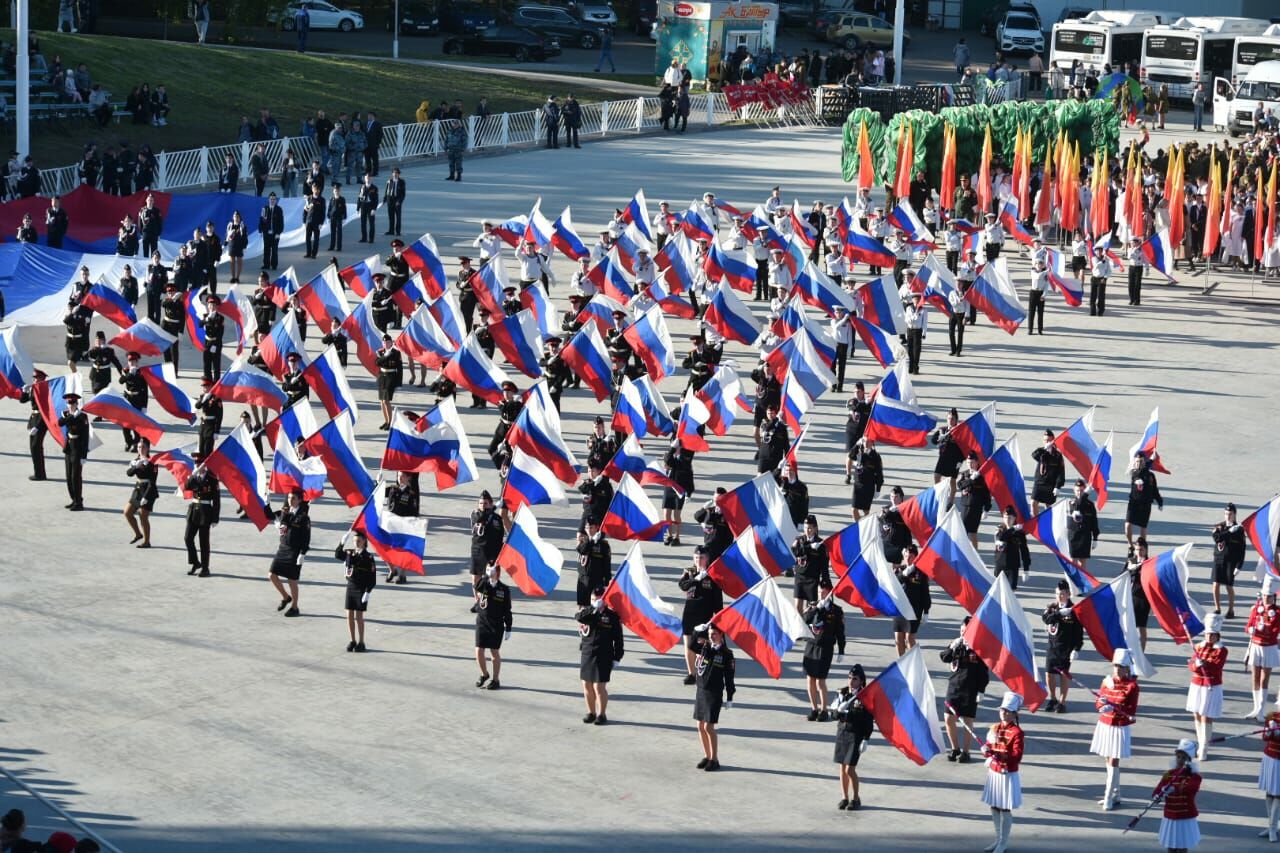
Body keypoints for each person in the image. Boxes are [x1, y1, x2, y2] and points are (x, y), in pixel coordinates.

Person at [1092, 648, 1140, 810]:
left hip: (1118, 726)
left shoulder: (1132, 686)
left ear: (1127, 668)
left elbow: (1129, 708)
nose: (1117, 669)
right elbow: (1099, 700)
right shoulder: (1107, 681)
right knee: (1107, 759)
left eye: (1120, 666)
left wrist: (1113, 704)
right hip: (1105, 723)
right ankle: (1117, 793)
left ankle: (1108, 797)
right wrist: (1101, 706)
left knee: (1113, 760)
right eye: (1115, 666)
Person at [981, 692, 1025, 853]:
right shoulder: (994, 728)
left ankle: (1003, 843)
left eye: (1007, 711)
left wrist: (1000, 754)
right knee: (994, 806)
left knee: (1005, 808)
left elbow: (1017, 756)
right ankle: (997, 839)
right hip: (994, 771)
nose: (1004, 713)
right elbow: (989, 746)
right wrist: (986, 750)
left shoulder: (1017, 732)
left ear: (1014, 713)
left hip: (1007, 773)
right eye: (1002, 710)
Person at [941, 618, 989, 762]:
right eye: (961, 630)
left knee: (967, 721)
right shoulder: (957, 645)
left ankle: (966, 752)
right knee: (948, 718)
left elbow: (983, 673)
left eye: (965, 631)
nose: (962, 633)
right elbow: (944, 657)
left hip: (970, 689)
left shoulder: (979, 649)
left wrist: (981, 690)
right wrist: (952, 647)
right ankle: (955, 748)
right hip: (954, 687)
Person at [689, 621, 735, 770]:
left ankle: (715, 759)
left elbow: (729, 677)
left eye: (714, 634)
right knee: (699, 726)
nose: (712, 636)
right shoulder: (705, 647)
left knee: (709, 727)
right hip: (701, 690)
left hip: (714, 693)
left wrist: (730, 696)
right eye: (709, 634)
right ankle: (707, 755)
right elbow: (691, 646)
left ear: (721, 635)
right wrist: (697, 631)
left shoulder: (727, 654)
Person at [577, 585, 624, 725]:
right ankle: (591, 712)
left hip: (603, 655)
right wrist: (593, 608)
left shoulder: (612, 616)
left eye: (598, 599)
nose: (595, 601)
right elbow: (578, 617)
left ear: (604, 600)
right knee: (586, 684)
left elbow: (618, 639)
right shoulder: (588, 612)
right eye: (592, 599)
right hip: (587, 653)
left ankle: (601, 714)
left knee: (599, 687)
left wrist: (617, 657)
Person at [802, 579, 845, 721]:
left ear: (830, 593)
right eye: (820, 591)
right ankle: (814, 708)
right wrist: (816, 609)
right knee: (810, 679)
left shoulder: (836, 611)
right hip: (811, 645)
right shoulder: (813, 606)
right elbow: (804, 619)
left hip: (825, 648)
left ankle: (824, 710)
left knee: (820, 680)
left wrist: (841, 649)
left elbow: (840, 631)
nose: (822, 593)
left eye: (824, 591)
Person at [678, 547, 723, 684]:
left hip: (705, 615)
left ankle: (703, 672)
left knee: (703, 646)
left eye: (701, 558)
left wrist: (718, 617)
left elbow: (717, 599)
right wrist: (696, 579)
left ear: (707, 559)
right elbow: (683, 586)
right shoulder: (689, 572)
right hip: (689, 613)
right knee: (688, 644)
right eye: (696, 558)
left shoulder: (713, 574)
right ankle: (691, 674)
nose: (698, 560)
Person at [833, 663, 875, 809]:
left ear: (861, 681)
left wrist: (866, 739)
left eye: (855, 678)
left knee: (849, 769)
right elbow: (833, 714)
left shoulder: (865, 697)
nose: (851, 681)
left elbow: (868, 721)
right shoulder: (842, 693)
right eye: (849, 677)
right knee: (842, 767)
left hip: (855, 736)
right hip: (842, 733)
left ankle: (856, 798)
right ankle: (845, 797)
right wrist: (838, 710)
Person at [1186, 611, 1226, 761]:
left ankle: (1204, 747)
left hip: (1211, 685)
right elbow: (1191, 665)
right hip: (1197, 683)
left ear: (1217, 635)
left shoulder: (1221, 650)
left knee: (1206, 716)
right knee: (1196, 713)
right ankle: (1200, 741)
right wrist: (1196, 665)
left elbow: (1216, 667)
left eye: (1212, 635)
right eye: (1207, 634)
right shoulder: (1198, 646)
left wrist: (1205, 664)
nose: (1209, 637)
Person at [268, 489, 311, 618]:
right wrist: (266, 503)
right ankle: (286, 597)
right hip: (283, 548)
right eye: (289, 498)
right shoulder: (284, 512)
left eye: (293, 498)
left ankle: (295, 607)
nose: (290, 500)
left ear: (299, 500)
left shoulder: (303, 517)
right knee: (271, 575)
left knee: (292, 580)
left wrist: (302, 554)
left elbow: (306, 537)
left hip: (294, 551)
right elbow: (269, 516)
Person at [1042, 580, 1083, 713]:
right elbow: (1047, 619)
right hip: (1052, 647)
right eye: (1058, 594)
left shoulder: (1074, 611)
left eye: (1062, 594)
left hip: (1066, 648)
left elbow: (1078, 632)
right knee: (1049, 674)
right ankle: (1052, 698)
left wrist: (1077, 648)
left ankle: (1062, 701)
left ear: (1069, 594)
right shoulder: (1052, 608)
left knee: (1063, 675)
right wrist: (1059, 613)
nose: (1060, 596)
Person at [1155, 740, 1201, 852]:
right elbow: (1158, 788)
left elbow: (1191, 789)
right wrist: (1157, 796)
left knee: (1182, 847)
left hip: (1185, 816)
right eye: (1178, 757)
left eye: (1183, 758)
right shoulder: (1169, 774)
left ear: (1189, 760)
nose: (1180, 760)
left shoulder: (1194, 776)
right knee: (1170, 846)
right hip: (1170, 815)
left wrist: (1174, 788)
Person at [474, 564, 512, 690]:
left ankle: (495, 680)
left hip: (496, 624)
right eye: (488, 569)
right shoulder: (484, 584)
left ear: (498, 572)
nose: (491, 572)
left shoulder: (504, 589)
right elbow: (477, 586)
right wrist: (486, 575)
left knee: (494, 652)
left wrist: (509, 627)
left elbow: (507, 610)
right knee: (479, 649)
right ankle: (484, 674)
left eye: (493, 570)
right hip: (482, 621)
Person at [336, 530, 376, 652]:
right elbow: (338, 555)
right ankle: (352, 640)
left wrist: (368, 592)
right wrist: (341, 543)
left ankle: (361, 641)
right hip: (351, 586)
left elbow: (372, 578)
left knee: (359, 617)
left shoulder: (368, 557)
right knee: (349, 615)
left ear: (364, 542)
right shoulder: (350, 553)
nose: (356, 543)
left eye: (358, 541)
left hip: (361, 589)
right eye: (354, 541)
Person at [1247, 576, 1280, 721]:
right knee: (1255, 676)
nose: (1267, 599)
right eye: (1265, 596)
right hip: (1255, 645)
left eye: (1270, 597)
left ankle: (1261, 709)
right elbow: (1248, 625)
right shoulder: (1256, 609)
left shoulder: (1278, 613)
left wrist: (1263, 628)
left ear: (1274, 597)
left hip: (1268, 647)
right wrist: (1251, 630)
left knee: (1264, 678)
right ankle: (1255, 708)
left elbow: (1275, 631)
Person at [184, 454, 219, 576]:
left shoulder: (212, 479)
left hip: (205, 511)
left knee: (203, 542)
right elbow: (186, 487)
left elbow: (216, 500)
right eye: (197, 464)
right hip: (194, 509)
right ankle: (195, 562)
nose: (199, 466)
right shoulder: (194, 477)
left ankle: (205, 567)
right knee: (188, 538)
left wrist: (215, 518)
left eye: (201, 464)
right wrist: (192, 475)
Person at [893, 544, 930, 654]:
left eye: (911, 556)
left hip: (914, 609)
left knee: (909, 638)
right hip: (900, 608)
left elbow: (925, 593)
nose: (908, 558)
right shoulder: (899, 570)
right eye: (906, 556)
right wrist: (903, 574)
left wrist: (926, 611)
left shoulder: (921, 573)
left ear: (916, 557)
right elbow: (893, 584)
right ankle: (902, 663)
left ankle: (913, 662)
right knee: (898, 639)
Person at [1212, 502, 1246, 617]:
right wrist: (1228, 532)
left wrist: (1239, 566)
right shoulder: (1219, 526)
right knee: (1216, 584)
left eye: (1230, 514)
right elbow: (1217, 538)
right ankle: (1217, 608)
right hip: (1218, 559)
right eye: (1226, 514)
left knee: (1229, 586)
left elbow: (1242, 550)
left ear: (1235, 514)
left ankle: (1231, 610)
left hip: (1231, 561)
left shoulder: (1239, 530)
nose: (1228, 516)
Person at [123, 439, 159, 548]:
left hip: (148, 490)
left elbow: (153, 481)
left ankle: (147, 542)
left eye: (143, 447)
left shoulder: (152, 462)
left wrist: (146, 496)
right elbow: (129, 473)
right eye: (139, 447)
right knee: (127, 512)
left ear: (148, 448)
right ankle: (138, 534)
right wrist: (136, 466)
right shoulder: (136, 460)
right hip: (138, 489)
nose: (141, 449)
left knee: (143, 516)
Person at [792, 514, 831, 613]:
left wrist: (826, 583)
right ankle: (800, 626)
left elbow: (824, 566)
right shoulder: (799, 540)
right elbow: (795, 551)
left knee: (811, 608)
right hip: (800, 576)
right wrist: (809, 547)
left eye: (809, 528)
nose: (807, 531)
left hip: (812, 578)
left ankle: (807, 624)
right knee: (797, 607)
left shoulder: (821, 544)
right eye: (805, 528)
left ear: (815, 528)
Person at [58, 392, 89, 511]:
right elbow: (60, 423)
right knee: (68, 476)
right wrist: (71, 416)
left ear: (77, 404)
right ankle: (74, 499)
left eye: (72, 403)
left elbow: (86, 437)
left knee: (75, 476)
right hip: (68, 448)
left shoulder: (82, 416)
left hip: (78, 449)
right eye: (68, 403)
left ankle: (79, 502)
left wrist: (84, 456)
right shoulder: (66, 414)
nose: (70, 405)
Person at [1125, 452, 1163, 546]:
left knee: (1143, 527)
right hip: (1134, 503)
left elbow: (1154, 490)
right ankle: (1130, 545)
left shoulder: (1151, 476)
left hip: (1146, 504)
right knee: (1128, 524)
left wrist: (1159, 501)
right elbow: (1140, 473)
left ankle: (1142, 547)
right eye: (1137, 461)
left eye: (1141, 461)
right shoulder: (1134, 472)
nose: (1139, 463)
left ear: (1144, 462)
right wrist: (1151, 460)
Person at [1066, 479, 1099, 578]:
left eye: (1081, 490)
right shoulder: (1072, 503)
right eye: (1077, 490)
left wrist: (1095, 537)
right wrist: (1085, 494)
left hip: (1085, 536)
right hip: (1074, 536)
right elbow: (1078, 506)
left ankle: (1081, 583)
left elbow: (1094, 522)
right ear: (1074, 490)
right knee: (1073, 561)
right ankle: (1073, 582)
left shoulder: (1090, 505)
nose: (1079, 492)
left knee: (1082, 562)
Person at [993, 505, 1031, 589]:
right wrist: (1012, 529)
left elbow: (1024, 551)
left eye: (1010, 517)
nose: (1007, 520)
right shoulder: (999, 530)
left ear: (1014, 518)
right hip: (1000, 565)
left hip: (1013, 566)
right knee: (998, 591)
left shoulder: (1019, 533)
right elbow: (1002, 539)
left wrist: (1026, 568)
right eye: (1005, 517)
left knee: (1011, 592)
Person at [575, 520, 612, 606]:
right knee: (583, 606)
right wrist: (592, 541)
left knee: (596, 605)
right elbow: (582, 550)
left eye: (591, 527)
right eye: (587, 528)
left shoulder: (604, 545)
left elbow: (607, 565)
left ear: (597, 528)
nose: (589, 530)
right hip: (583, 578)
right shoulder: (583, 541)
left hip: (597, 579)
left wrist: (607, 582)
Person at [1030, 429, 1065, 515]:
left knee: (1048, 506)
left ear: (1053, 441)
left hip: (1050, 484)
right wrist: (1044, 449)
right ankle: (1036, 521)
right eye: (1045, 440)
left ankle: (1047, 523)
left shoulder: (1057, 455)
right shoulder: (1041, 451)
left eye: (1049, 440)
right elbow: (1034, 455)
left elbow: (1061, 473)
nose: (1047, 442)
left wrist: (1058, 486)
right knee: (1033, 503)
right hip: (1039, 483)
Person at [850, 436, 883, 521]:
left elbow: (879, 474)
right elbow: (850, 456)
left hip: (869, 486)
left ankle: (864, 527)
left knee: (866, 511)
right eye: (864, 441)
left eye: (868, 441)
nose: (866, 443)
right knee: (854, 509)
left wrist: (878, 489)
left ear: (872, 443)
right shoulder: (859, 452)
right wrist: (857, 444)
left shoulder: (875, 456)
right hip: (858, 485)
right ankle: (857, 526)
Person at [374, 333, 402, 429]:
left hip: (391, 377)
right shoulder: (381, 352)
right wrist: (385, 356)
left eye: (388, 342)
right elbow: (377, 363)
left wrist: (399, 382)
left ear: (391, 343)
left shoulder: (396, 353)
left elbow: (400, 368)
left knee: (386, 401)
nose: (385, 344)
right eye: (384, 342)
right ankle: (386, 421)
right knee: (381, 401)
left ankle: (390, 422)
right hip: (382, 376)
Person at [302, 184, 325, 259]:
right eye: (314, 189)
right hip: (309, 221)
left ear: (319, 190)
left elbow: (323, 212)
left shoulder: (322, 200)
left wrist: (321, 223)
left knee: (316, 239)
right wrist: (304, 221)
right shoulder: (309, 198)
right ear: (312, 189)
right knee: (307, 238)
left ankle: (314, 254)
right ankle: (308, 253)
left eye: (317, 189)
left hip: (317, 222)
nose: (316, 191)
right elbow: (305, 210)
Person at [356, 173, 379, 243]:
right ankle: (364, 238)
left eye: (369, 178)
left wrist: (374, 209)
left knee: (371, 223)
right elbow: (359, 198)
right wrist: (358, 208)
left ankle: (371, 239)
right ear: (364, 179)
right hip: (363, 206)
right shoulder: (362, 187)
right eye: (366, 178)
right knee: (363, 223)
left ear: (371, 179)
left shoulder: (374, 188)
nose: (368, 179)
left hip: (370, 206)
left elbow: (376, 200)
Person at [1089, 246, 1111, 316]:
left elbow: (1108, 270)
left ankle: (1101, 310)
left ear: (1102, 252)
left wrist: (1105, 278)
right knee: (1093, 295)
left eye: (1100, 251)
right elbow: (1096, 265)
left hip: (1101, 279)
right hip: (1094, 278)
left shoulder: (1106, 260)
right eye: (1097, 251)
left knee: (1101, 296)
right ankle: (1092, 310)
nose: (1098, 252)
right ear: (1095, 252)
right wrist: (1103, 261)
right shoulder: (1093, 258)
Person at [383, 167, 405, 236]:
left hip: (397, 200)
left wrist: (399, 201)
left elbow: (403, 194)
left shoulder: (402, 182)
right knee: (391, 216)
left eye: (396, 173)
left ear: (399, 174)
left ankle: (398, 231)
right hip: (390, 199)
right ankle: (391, 230)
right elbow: (386, 191)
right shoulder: (389, 181)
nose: (395, 174)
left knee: (398, 217)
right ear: (392, 174)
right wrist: (385, 199)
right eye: (394, 173)